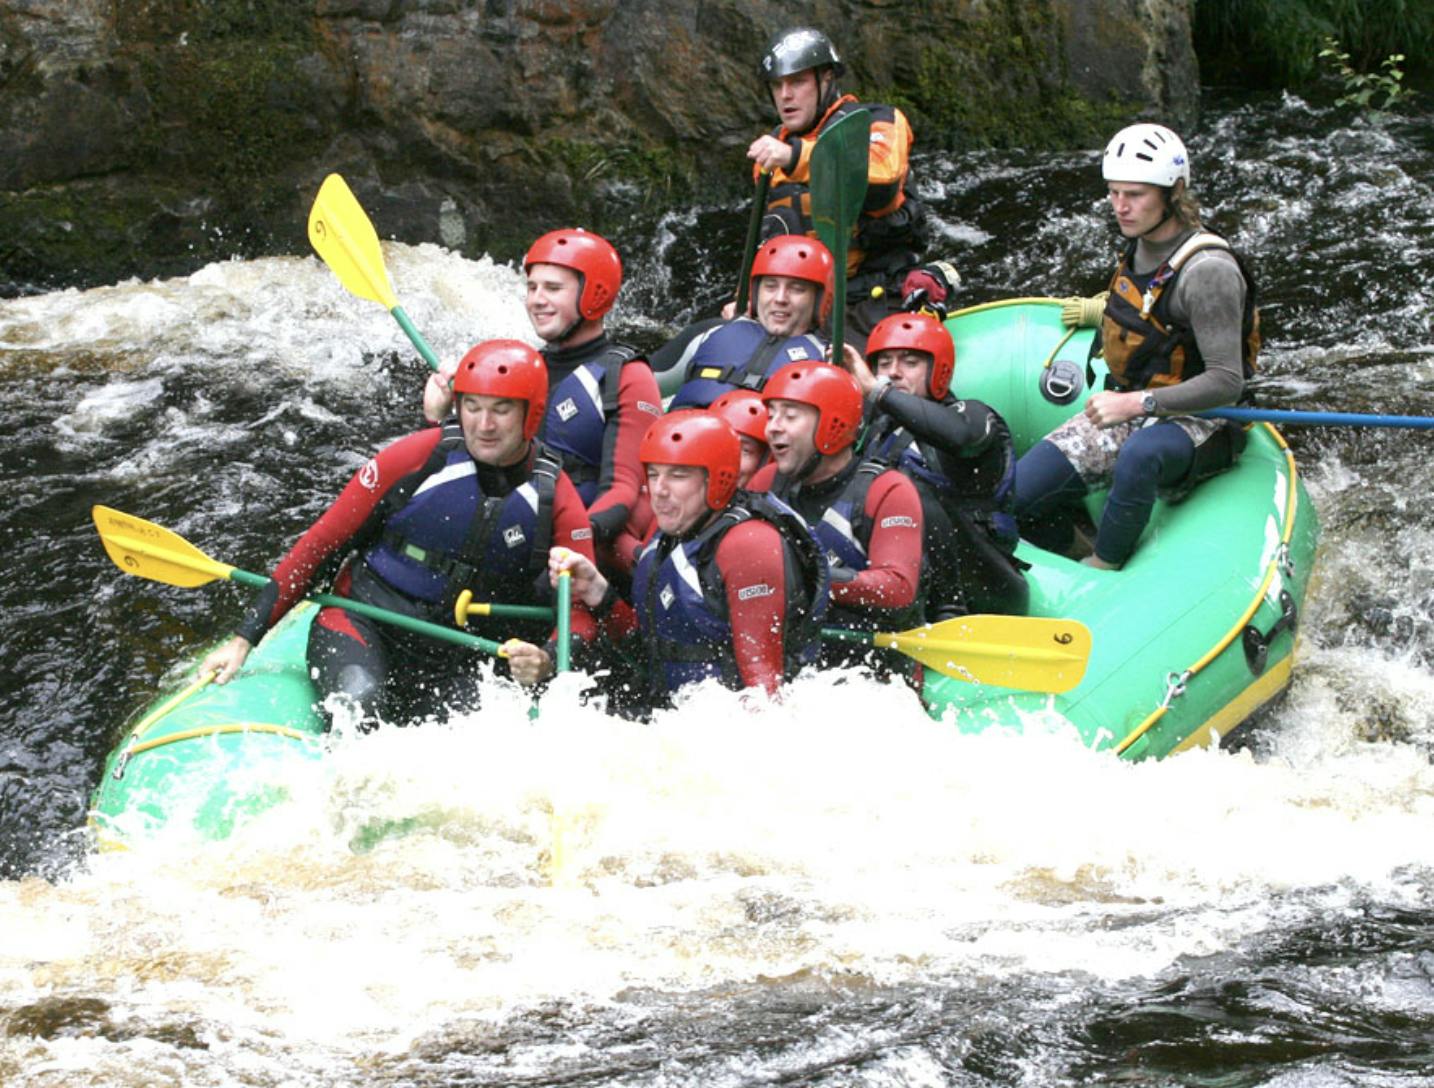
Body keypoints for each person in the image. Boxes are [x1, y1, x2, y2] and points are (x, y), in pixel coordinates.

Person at [203, 340, 598, 725]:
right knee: (361, 705)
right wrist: (244, 638)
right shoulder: (417, 457)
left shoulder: (555, 496)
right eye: (472, 407)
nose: (484, 424)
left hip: (457, 655)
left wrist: (546, 658)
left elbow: (581, 611)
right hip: (363, 620)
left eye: (501, 410)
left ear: (531, 414)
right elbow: (322, 544)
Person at [1014, 123, 1258, 570]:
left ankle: (1106, 566)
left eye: (1135, 195)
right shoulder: (1142, 241)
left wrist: (1137, 404)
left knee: (1141, 455)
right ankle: (1073, 553)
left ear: (1174, 192)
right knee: (1016, 494)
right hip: (1135, 405)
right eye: (1113, 193)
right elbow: (1152, 314)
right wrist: (1099, 312)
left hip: (1201, 419)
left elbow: (1227, 382)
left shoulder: (1209, 271)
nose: (1120, 207)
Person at [509, 411, 829, 704]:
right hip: (672, 714)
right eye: (653, 473)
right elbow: (650, 647)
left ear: (717, 478)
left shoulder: (749, 545)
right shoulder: (673, 535)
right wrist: (597, 591)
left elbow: (764, 692)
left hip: (723, 726)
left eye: (677, 475)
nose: (659, 490)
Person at [423, 228, 662, 549]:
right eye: (532, 287)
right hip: (508, 529)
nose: (536, 300)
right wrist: (438, 417)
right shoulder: (519, 368)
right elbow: (471, 467)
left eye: (552, 288)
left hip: (576, 540)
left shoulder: (627, 376)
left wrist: (569, 538)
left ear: (595, 293)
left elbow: (622, 491)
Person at [747, 26, 937, 335]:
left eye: (797, 82)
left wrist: (797, 157)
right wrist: (747, 299)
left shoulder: (878, 120)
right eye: (777, 85)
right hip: (804, 305)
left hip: (874, 297)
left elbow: (881, 181)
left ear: (826, 79)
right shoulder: (770, 152)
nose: (785, 95)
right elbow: (766, 242)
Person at [844, 311, 1028, 619]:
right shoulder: (874, 431)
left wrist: (877, 392)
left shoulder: (973, 416)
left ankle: (949, 608)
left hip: (985, 587)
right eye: (884, 363)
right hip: (905, 579)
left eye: (910, 362)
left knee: (903, 490)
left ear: (938, 369)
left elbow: (961, 437)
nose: (894, 372)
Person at [746, 362, 925, 671]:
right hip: (793, 662)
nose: (773, 427)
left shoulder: (887, 489)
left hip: (868, 668)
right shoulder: (766, 483)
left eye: (789, 416)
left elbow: (897, 589)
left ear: (833, 424)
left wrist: (807, 578)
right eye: (772, 414)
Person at [653, 234, 832, 408]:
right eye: (770, 286)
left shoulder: (827, 364)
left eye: (797, 289)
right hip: (683, 433)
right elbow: (637, 384)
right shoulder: (709, 333)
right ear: (755, 293)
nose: (780, 298)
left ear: (819, 300)